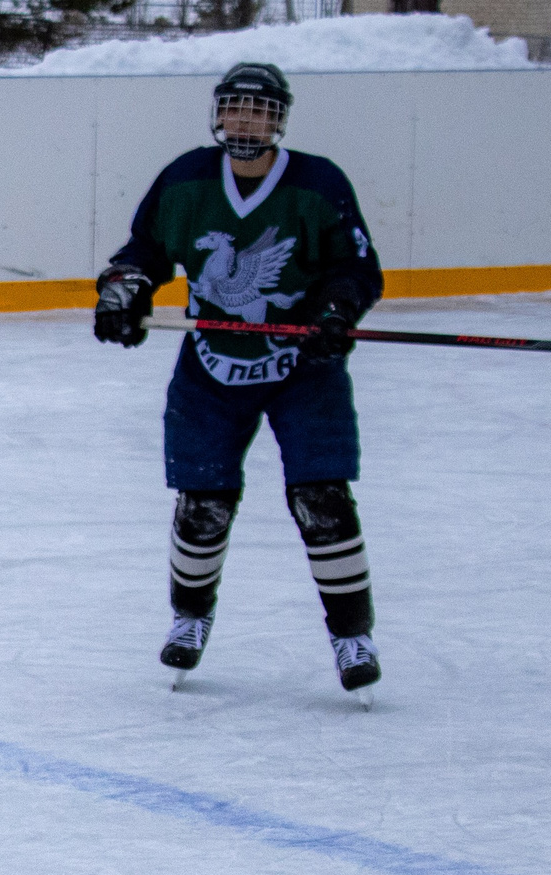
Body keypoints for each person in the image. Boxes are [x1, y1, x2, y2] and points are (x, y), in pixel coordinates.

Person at [93, 61, 386, 702]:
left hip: (304, 367)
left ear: (279, 119)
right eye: (234, 107)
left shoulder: (317, 183)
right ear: (218, 113)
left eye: (259, 109)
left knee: (322, 500)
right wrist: (124, 286)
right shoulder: (186, 178)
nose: (245, 119)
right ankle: (190, 619)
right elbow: (144, 249)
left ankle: (352, 634)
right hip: (211, 366)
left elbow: (357, 267)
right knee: (204, 507)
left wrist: (337, 310)